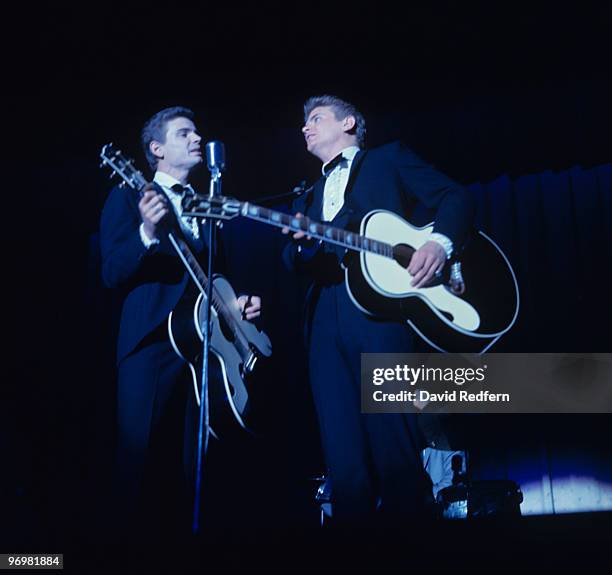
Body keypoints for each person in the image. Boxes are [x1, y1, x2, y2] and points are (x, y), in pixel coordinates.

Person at [282, 95, 475, 526]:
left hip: (380, 316)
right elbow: (291, 261)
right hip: (323, 320)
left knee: (395, 447)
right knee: (341, 455)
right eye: (303, 122)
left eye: (315, 118)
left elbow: (454, 197)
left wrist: (438, 245)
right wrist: (300, 245)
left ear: (348, 122)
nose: (304, 128)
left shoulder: (389, 160)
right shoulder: (309, 193)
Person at [99, 106, 261, 538]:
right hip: (151, 341)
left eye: (197, 131)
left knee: (197, 464)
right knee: (138, 461)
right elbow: (111, 271)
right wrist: (147, 234)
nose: (197, 138)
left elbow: (215, 278)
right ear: (156, 149)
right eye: (184, 133)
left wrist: (236, 307)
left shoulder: (207, 207)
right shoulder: (130, 196)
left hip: (202, 348)